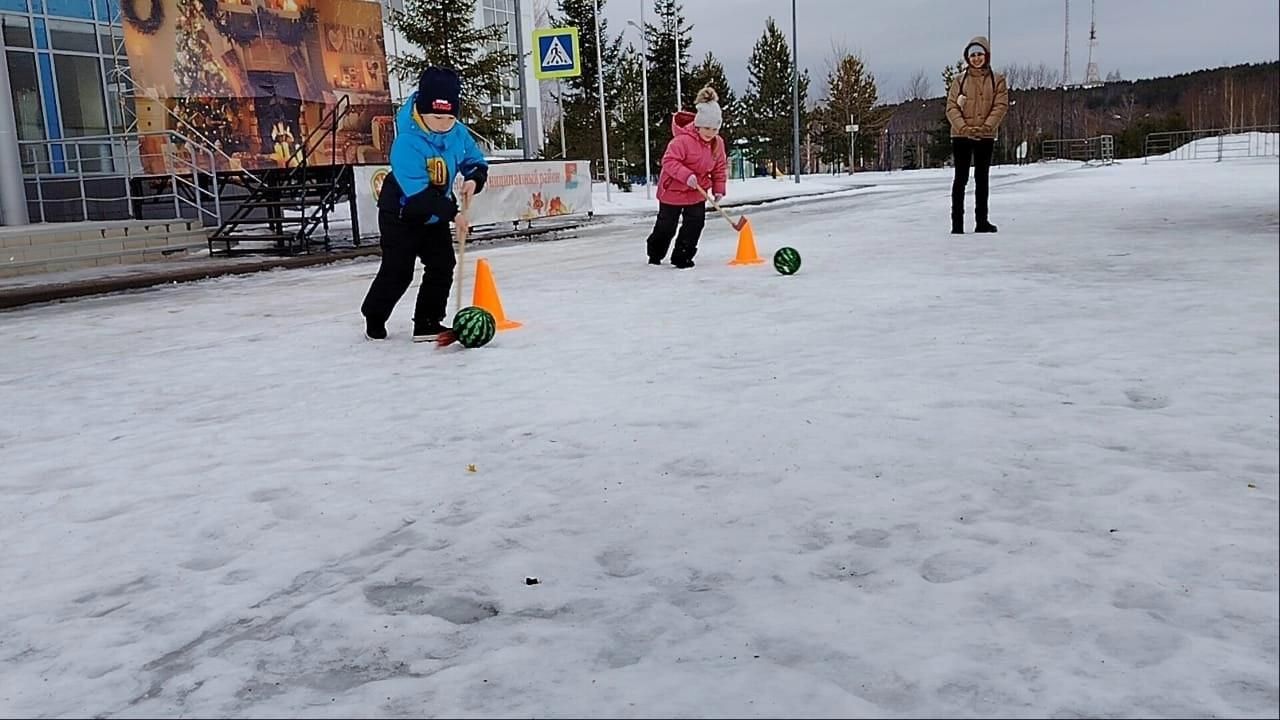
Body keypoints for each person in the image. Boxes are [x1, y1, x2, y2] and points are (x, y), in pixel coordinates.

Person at [360, 66, 488, 341]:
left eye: (450, 116)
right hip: (402, 213)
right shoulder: (407, 141)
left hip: (435, 215)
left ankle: (427, 322)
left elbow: (475, 161)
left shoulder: (457, 133)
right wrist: (455, 215)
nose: (443, 123)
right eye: (436, 116)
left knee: (443, 265)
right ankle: (374, 314)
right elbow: (419, 194)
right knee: (399, 271)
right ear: (421, 110)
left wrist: (473, 180)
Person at [645, 86, 728, 268]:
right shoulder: (682, 141)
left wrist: (719, 188)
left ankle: (682, 256)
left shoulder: (717, 143)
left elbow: (719, 167)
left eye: (715, 129)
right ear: (698, 124)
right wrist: (686, 176)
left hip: (697, 192)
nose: (710, 133)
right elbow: (669, 161)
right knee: (667, 226)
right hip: (672, 190)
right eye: (707, 128)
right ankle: (655, 253)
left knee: (695, 224)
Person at [945, 35, 1008, 234]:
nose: (976, 58)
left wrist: (986, 127)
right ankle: (957, 224)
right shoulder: (959, 81)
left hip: (985, 136)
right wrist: (963, 128)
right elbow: (951, 108)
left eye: (980, 54)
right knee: (960, 179)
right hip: (961, 136)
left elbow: (1000, 106)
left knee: (982, 179)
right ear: (967, 57)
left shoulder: (997, 80)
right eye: (973, 55)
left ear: (986, 55)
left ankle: (982, 221)